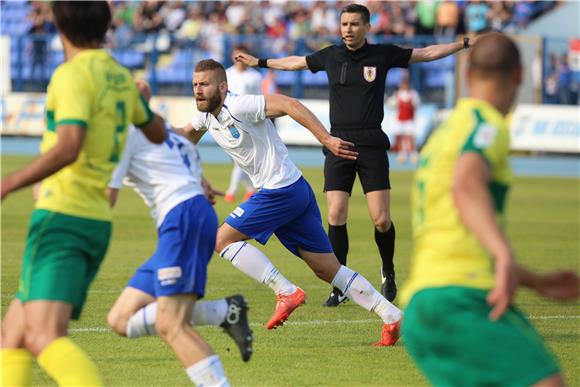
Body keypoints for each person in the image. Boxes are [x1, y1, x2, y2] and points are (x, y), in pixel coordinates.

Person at [235, 3, 472, 306]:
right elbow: (296, 62)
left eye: (354, 24)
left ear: (367, 27)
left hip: (372, 143)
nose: (347, 29)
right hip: (337, 144)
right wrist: (261, 61)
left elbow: (425, 54)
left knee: (381, 219)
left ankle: (387, 269)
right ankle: (339, 285)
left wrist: (463, 44)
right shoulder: (330, 56)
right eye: (344, 24)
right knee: (335, 213)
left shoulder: (382, 55)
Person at [176, 59, 403, 347]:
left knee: (221, 239)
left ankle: (284, 290)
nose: (198, 90)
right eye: (195, 84)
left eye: (204, 84)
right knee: (327, 270)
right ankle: (391, 314)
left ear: (222, 86)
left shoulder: (239, 105)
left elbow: (288, 104)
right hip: (294, 190)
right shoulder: (206, 117)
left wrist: (326, 139)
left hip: (279, 190)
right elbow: (182, 137)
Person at [0, 2, 166, 387]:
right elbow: (156, 132)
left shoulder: (71, 75)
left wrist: (8, 183)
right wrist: (139, 103)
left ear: (58, 23)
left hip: (63, 214)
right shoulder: (119, 76)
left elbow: (69, 145)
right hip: (93, 219)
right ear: (107, 25)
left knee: (44, 337)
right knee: (13, 335)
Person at [400, 33, 580, 386]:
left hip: (424, 302)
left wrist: (534, 280)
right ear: (519, 76)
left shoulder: (444, 133)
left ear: (466, 74)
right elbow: (466, 184)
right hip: (461, 298)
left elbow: (458, 232)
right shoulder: (487, 124)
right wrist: (503, 254)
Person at [105, 81, 253, 386]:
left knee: (170, 325)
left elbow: (108, 196)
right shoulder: (171, 134)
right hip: (191, 216)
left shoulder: (126, 134)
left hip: (181, 218)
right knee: (119, 320)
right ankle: (224, 311)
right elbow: (200, 183)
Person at [223, 44, 262, 203]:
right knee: (237, 159)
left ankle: (230, 192)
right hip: (228, 121)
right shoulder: (226, 74)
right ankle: (251, 188)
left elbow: (258, 98)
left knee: (240, 158)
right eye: (236, 54)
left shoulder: (255, 77)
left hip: (246, 121)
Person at [388, 73, 420, 164]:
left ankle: (414, 154)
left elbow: (416, 105)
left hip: (409, 119)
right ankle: (402, 154)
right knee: (400, 137)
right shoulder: (397, 94)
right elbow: (392, 105)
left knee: (410, 137)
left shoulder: (413, 94)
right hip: (400, 119)